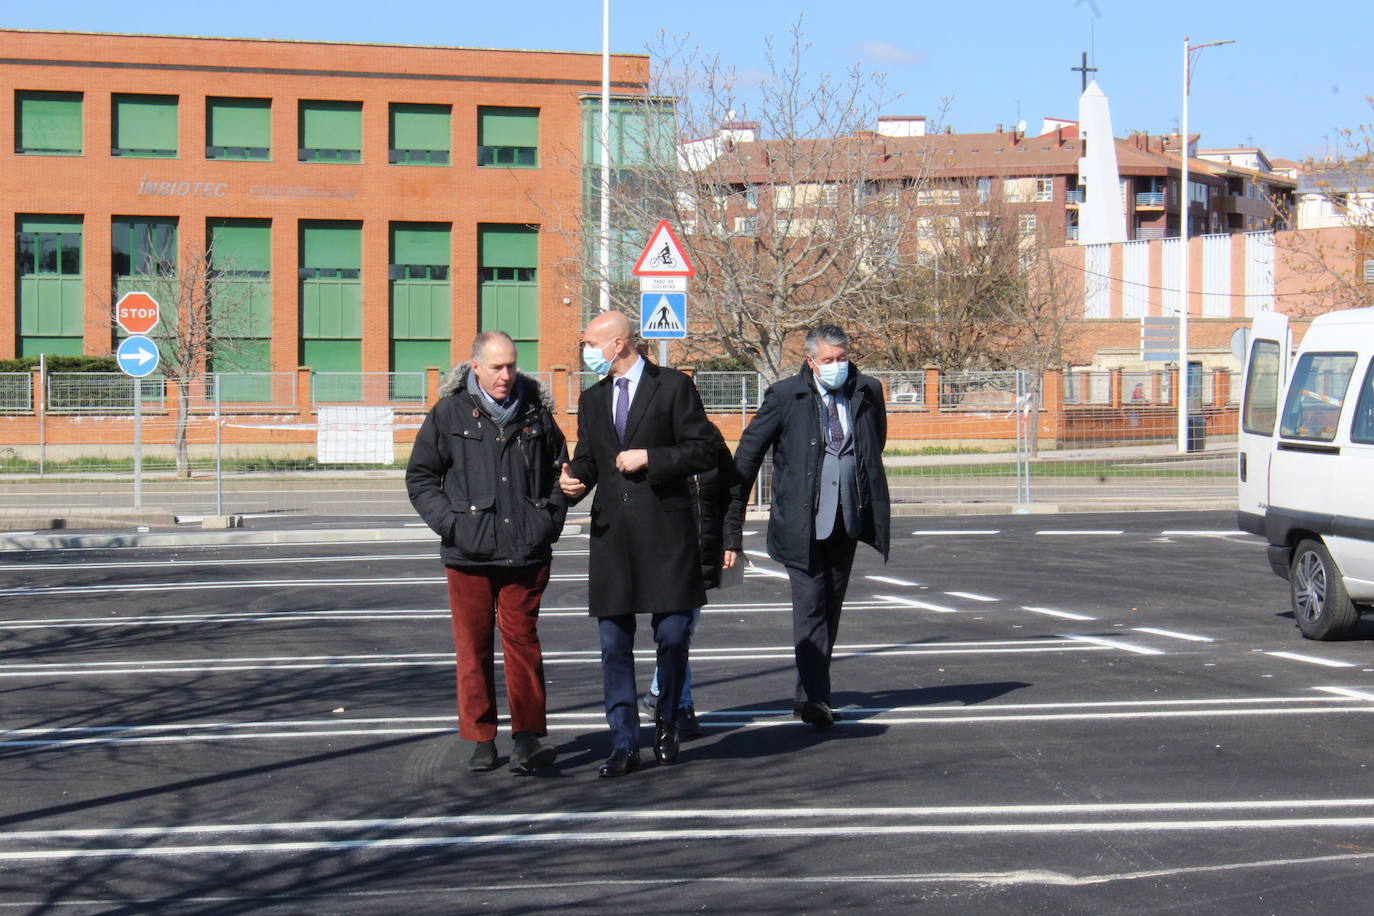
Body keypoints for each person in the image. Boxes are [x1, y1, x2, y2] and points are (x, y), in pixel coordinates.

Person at [558, 310, 720, 777]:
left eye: (590, 343)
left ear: (619, 343)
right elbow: (589, 459)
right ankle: (624, 742)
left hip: (665, 534)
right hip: (613, 537)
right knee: (613, 644)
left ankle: (667, 719)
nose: (585, 352)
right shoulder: (593, 399)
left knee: (672, 636)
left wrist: (652, 457)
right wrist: (574, 481)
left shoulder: (672, 387)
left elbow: (703, 449)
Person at [406, 330, 567, 776]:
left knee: (523, 644)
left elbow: (561, 472)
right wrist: (452, 525)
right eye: (496, 366)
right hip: (468, 553)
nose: (506, 375)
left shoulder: (537, 412)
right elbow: (421, 478)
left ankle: (528, 737)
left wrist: (548, 519)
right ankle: (481, 736)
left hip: (526, 551)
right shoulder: (448, 413)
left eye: (512, 365)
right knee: (472, 647)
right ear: (474, 366)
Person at [730, 324, 890, 728]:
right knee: (810, 606)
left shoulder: (866, 391)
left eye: (842, 358)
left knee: (830, 610)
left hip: (846, 519)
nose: (837, 366)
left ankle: (808, 696)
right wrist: (730, 518)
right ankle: (817, 699)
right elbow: (748, 455)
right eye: (828, 360)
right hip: (801, 523)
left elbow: (875, 442)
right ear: (810, 361)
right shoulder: (786, 396)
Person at [641, 440, 743, 738]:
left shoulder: (709, 440)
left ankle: (658, 692)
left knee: (685, 629)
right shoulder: (652, 434)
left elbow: (731, 492)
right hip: (665, 553)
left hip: (701, 552)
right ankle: (680, 702)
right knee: (677, 630)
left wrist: (731, 539)